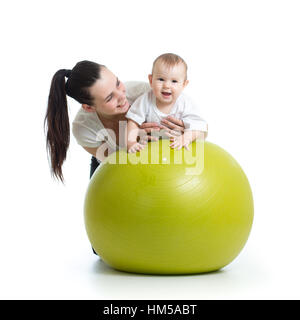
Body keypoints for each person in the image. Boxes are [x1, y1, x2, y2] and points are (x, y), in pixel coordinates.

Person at [45, 60, 186, 182]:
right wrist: (134, 138)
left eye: (118, 83)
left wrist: (185, 131)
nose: (121, 96)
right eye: (109, 98)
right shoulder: (84, 128)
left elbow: (201, 129)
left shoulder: (146, 94)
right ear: (89, 107)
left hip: (161, 160)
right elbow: (119, 168)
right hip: (112, 167)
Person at [126, 53, 208, 153]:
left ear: (184, 84)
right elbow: (133, 121)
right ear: (151, 80)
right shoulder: (145, 100)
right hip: (152, 150)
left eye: (174, 81)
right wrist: (131, 143)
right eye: (161, 79)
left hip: (177, 148)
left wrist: (185, 138)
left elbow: (198, 126)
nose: (167, 85)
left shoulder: (185, 103)